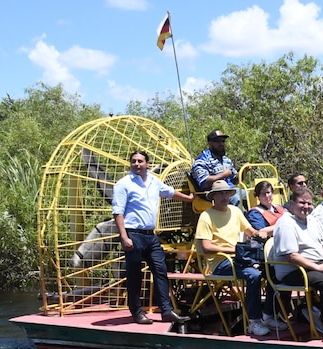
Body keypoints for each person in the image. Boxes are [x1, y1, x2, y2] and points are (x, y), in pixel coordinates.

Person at [112, 150, 194, 324]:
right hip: (133, 233)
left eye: (140, 161)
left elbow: (170, 192)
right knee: (135, 275)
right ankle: (137, 313)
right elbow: (118, 212)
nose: (137, 164)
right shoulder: (123, 184)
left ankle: (167, 311)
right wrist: (124, 237)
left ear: (147, 163)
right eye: (133, 161)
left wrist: (189, 199)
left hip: (151, 235)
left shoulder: (154, 181)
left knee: (160, 271)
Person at [195, 179, 278, 336]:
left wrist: (262, 233)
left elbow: (251, 231)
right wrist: (232, 250)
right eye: (220, 194)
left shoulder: (235, 211)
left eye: (226, 193)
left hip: (238, 258)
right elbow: (206, 247)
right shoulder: (206, 216)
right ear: (213, 196)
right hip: (219, 263)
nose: (224, 197)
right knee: (253, 275)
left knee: (272, 269)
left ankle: (269, 315)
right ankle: (254, 322)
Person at [269, 187, 323, 335]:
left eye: (309, 203)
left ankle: (313, 308)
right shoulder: (286, 223)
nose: (306, 207)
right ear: (292, 204)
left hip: (316, 264)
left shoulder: (312, 220)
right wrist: (319, 268)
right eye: (302, 203)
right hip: (294, 270)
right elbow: (291, 256)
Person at [191, 130, 239, 204]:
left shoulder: (226, 160)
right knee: (236, 198)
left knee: (249, 194)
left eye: (223, 141)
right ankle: (241, 215)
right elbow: (204, 182)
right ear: (210, 143)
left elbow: (234, 180)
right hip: (215, 193)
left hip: (230, 189)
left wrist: (244, 172)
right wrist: (223, 175)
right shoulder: (202, 160)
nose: (221, 143)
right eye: (218, 141)